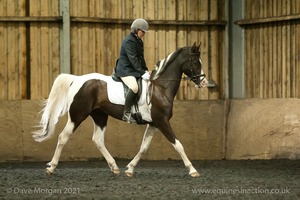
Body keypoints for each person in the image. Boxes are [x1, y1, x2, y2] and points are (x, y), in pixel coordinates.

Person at [115, 18, 150, 123]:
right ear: (136, 30)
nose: (144, 33)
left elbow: (140, 58)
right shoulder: (129, 41)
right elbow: (133, 59)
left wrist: (146, 70)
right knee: (134, 87)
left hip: (133, 70)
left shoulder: (139, 41)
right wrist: (141, 72)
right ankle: (126, 112)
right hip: (125, 70)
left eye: (144, 32)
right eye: (142, 31)